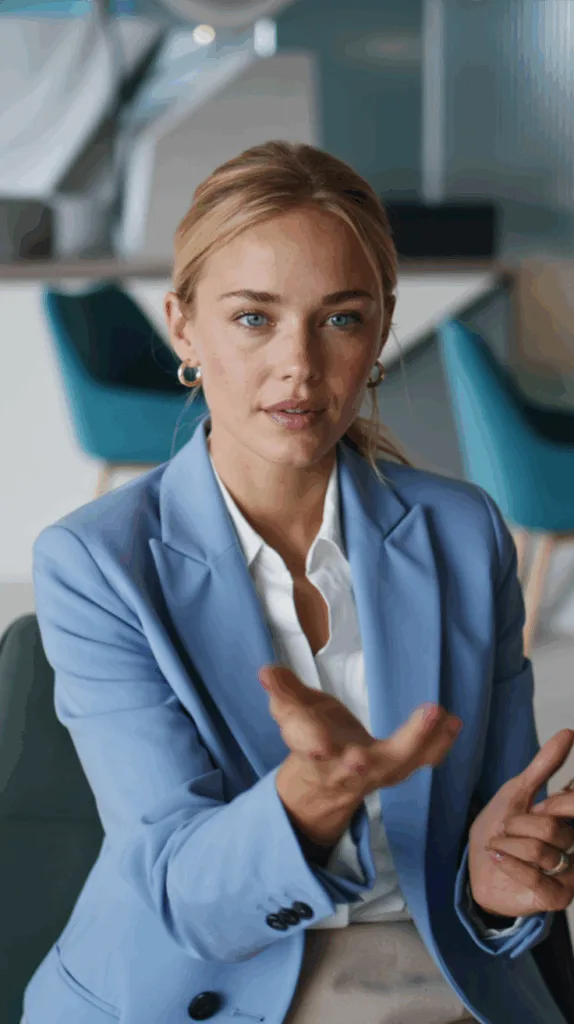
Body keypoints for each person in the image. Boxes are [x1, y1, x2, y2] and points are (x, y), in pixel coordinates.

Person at [22, 141, 574, 1024]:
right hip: (200, 988)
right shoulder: (95, 565)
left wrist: (500, 879)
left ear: (380, 330)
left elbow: (495, 840)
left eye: (341, 318)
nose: (300, 366)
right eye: (253, 318)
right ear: (183, 325)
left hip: (437, 972)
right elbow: (182, 895)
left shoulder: (463, 533)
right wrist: (305, 805)